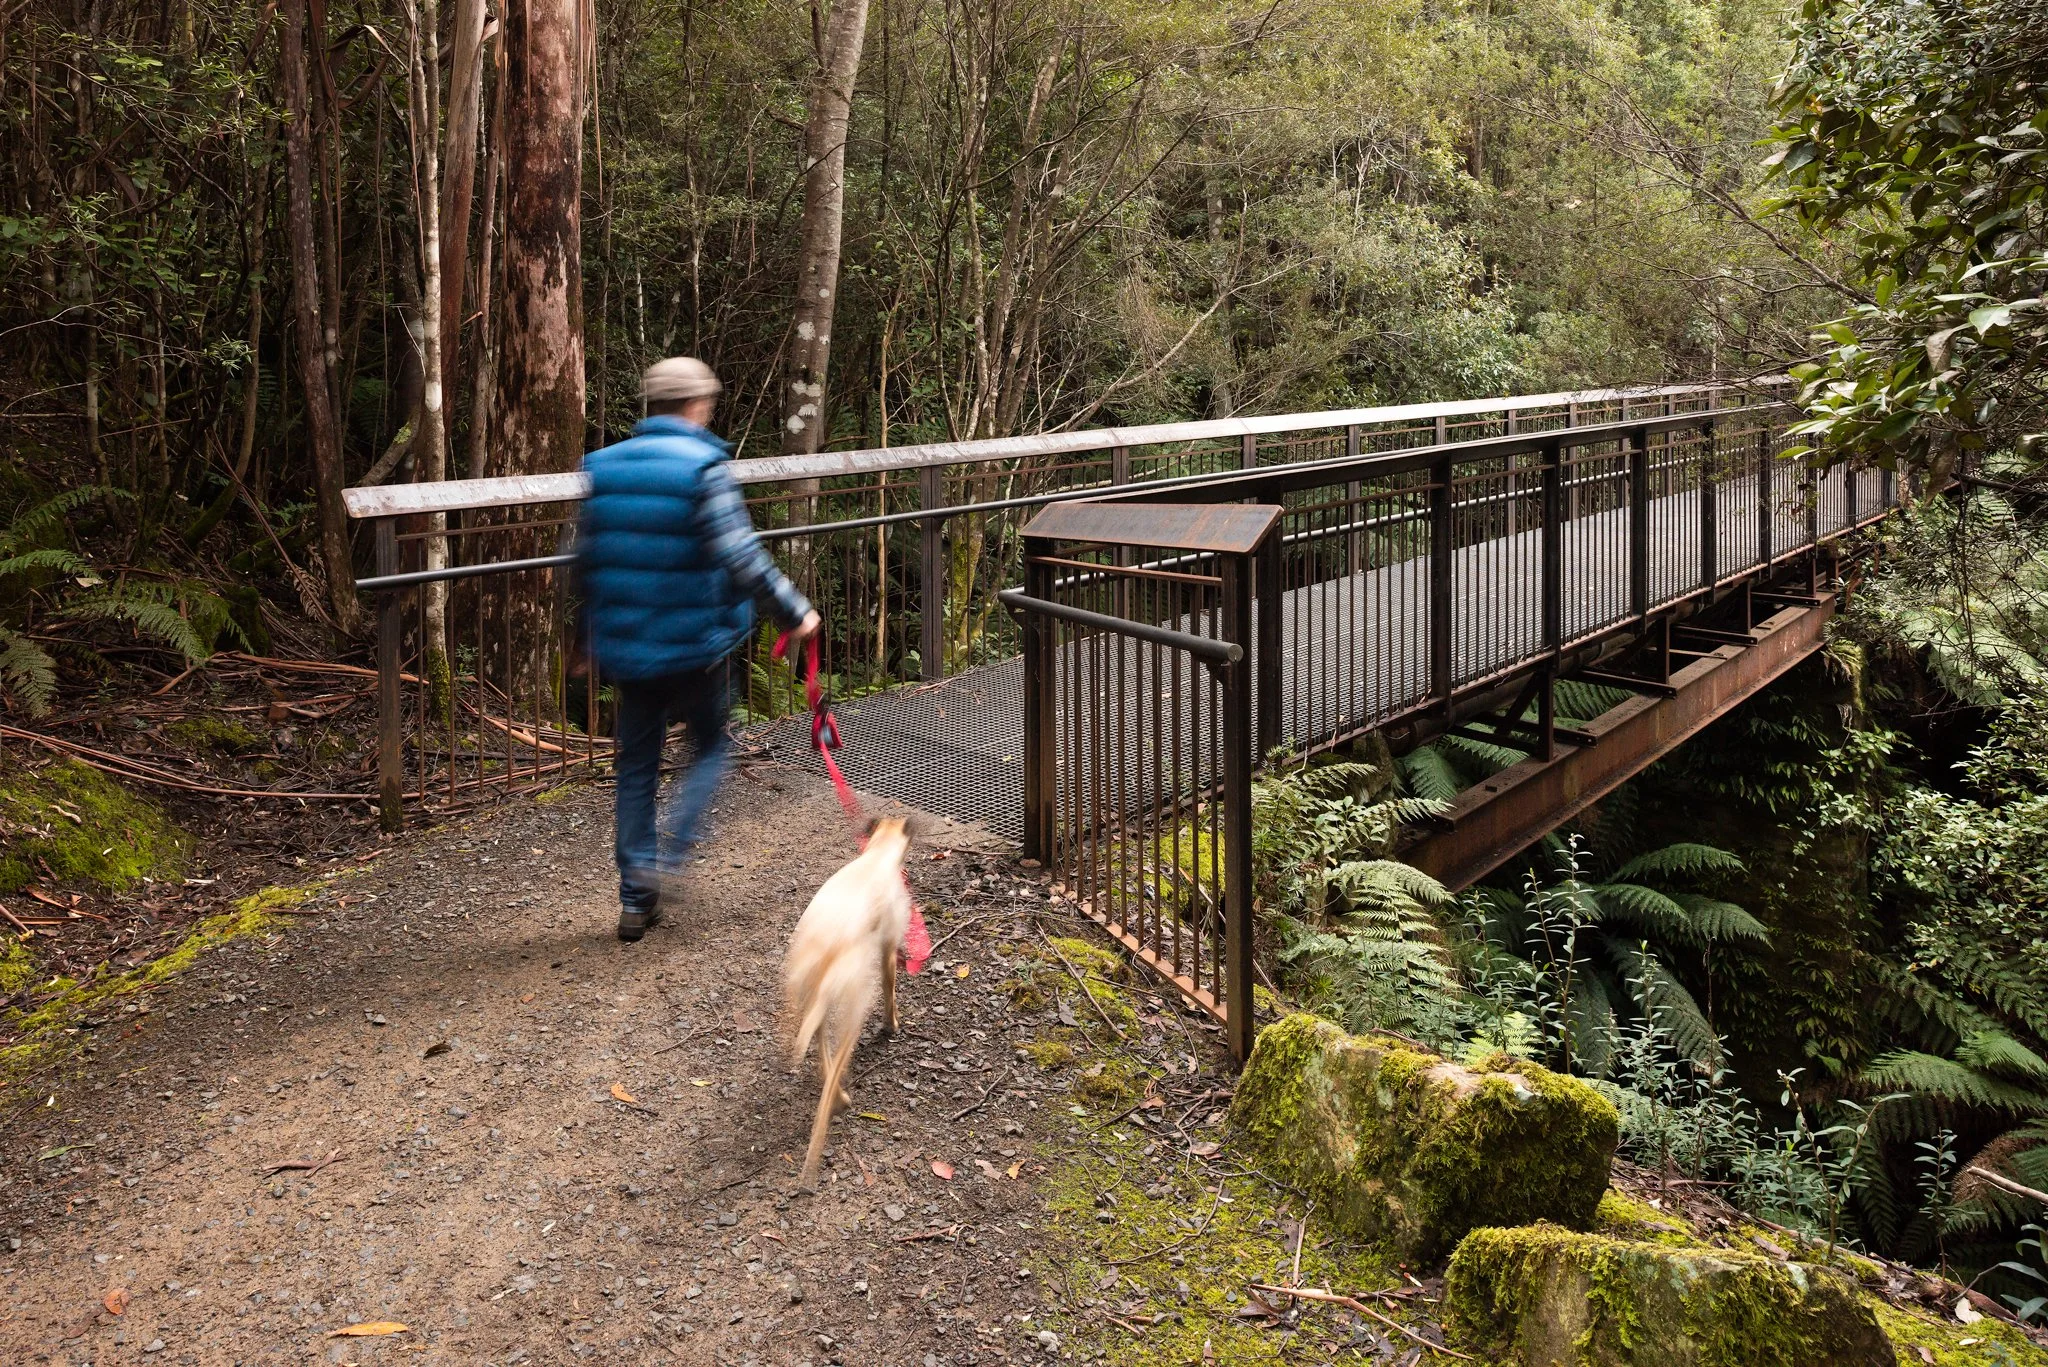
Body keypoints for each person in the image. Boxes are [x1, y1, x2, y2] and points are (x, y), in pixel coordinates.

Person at [575, 357, 820, 942]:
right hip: (696, 646)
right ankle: (671, 853)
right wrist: (795, 612)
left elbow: (584, 560)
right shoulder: (705, 468)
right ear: (697, 405)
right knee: (710, 747)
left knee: (634, 766)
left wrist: (583, 639)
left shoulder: (603, 467)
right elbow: (741, 556)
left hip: (630, 650)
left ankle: (636, 901)